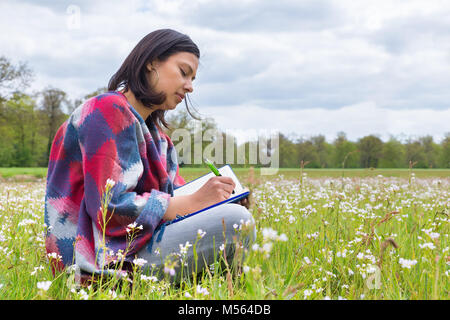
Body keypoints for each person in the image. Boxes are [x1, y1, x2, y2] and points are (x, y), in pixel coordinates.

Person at [44, 29, 255, 284]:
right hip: (102, 260)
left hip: (137, 247)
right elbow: (109, 210)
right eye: (183, 72)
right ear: (151, 62)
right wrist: (195, 202)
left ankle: (211, 284)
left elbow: (177, 199)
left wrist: (216, 201)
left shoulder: (158, 140)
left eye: (193, 78)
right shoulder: (106, 110)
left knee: (231, 218)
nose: (190, 86)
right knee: (236, 223)